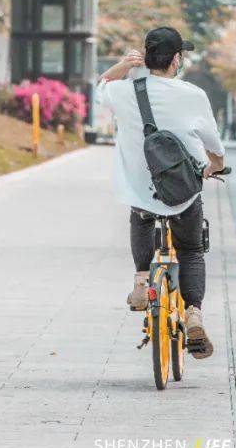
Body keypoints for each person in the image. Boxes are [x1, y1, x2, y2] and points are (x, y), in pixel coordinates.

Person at [96, 26, 226, 359]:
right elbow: (213, 144)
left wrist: (126, 64)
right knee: (191, 250)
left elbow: (101, 86)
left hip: (140, 188)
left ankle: (141, 281)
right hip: (182, 191)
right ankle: (193, 313)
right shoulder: (192, 94)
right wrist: (215, 164)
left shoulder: (125, 91)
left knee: (140, 213)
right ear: (175, 59)